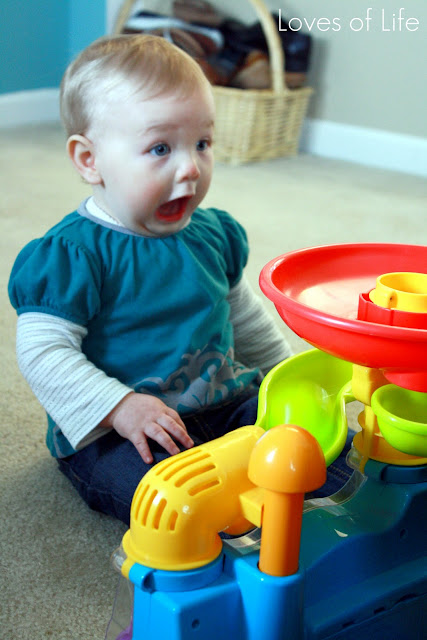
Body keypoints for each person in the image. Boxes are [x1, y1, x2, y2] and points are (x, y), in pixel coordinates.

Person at [8, 34, 293, 525]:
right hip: (120, 433)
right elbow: (41, 352)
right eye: (160, 148)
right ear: (89, 160)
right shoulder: (74, 255)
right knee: (174, 502)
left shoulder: (211, 234)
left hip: (224, 401)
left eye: (202, 143)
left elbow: (241, 315)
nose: (190, 168)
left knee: (306, 441)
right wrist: (120, 406)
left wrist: (286, 375)